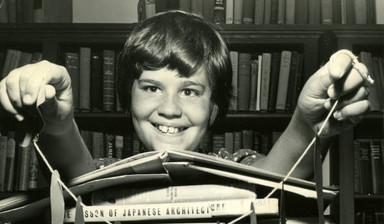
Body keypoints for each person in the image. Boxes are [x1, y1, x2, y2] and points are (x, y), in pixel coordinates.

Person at [0, 10, 371, 183]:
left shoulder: (238, 163)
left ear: (214, 110)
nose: (170, 109)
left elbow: (271, 176)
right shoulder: (104, 171)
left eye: (191, 91)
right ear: (128, 100)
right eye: (151, 88)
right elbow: (80, 175)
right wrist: (58, 124)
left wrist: (307, 126)